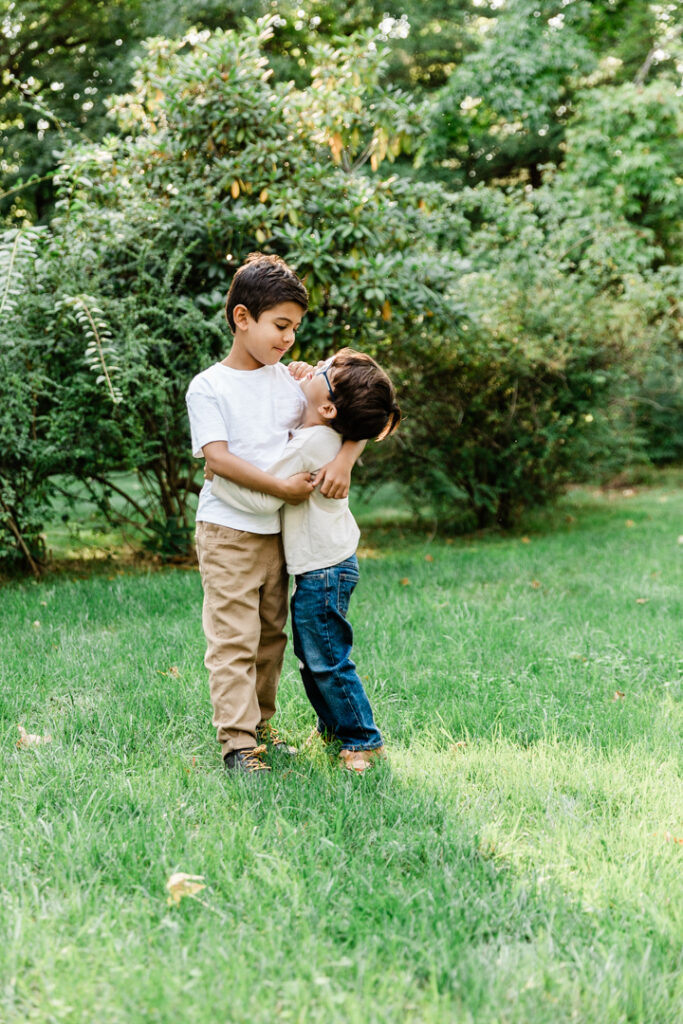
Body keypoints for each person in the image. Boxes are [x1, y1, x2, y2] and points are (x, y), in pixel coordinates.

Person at [185, 253, 364, 777]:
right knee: (233, 638)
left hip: (277, 537)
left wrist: (346, 459)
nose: (288, 338)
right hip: (228, 532)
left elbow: (361, 415)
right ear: (243, 319)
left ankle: (261, 725)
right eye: (280, 326)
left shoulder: (291, 380)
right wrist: (283, 488)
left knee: (269, 636)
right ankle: (237, 744)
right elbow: (217, 459)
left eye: (295, 328)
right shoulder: (210, 386)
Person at [208, 348, 401, 774]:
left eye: (325, 370)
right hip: (328, 564)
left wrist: (218, 477)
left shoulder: (314, 441)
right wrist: (305, 381)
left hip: (324, 570)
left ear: (329, 407)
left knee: (326, 658)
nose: (315, 366)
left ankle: (363, 739)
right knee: (314, 653)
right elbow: (327, 403)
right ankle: (333, 730)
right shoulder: (324, 427)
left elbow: (262, 495)